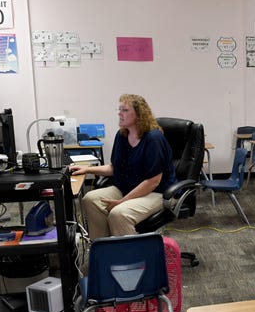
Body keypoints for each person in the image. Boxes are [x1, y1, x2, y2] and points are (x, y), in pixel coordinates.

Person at [70, 94, 176, 238]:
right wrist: (87, 169)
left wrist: (122, 202)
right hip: (127, 188)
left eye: (125, 110)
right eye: (119, 109)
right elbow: (115, 168)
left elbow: (153, 181)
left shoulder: (153, 138)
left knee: (119, 213)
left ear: (139, 114)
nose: (119, 113)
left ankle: (130, 257)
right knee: (90, 199)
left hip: (157, 192)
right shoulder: (121, 136)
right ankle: (104, 249)